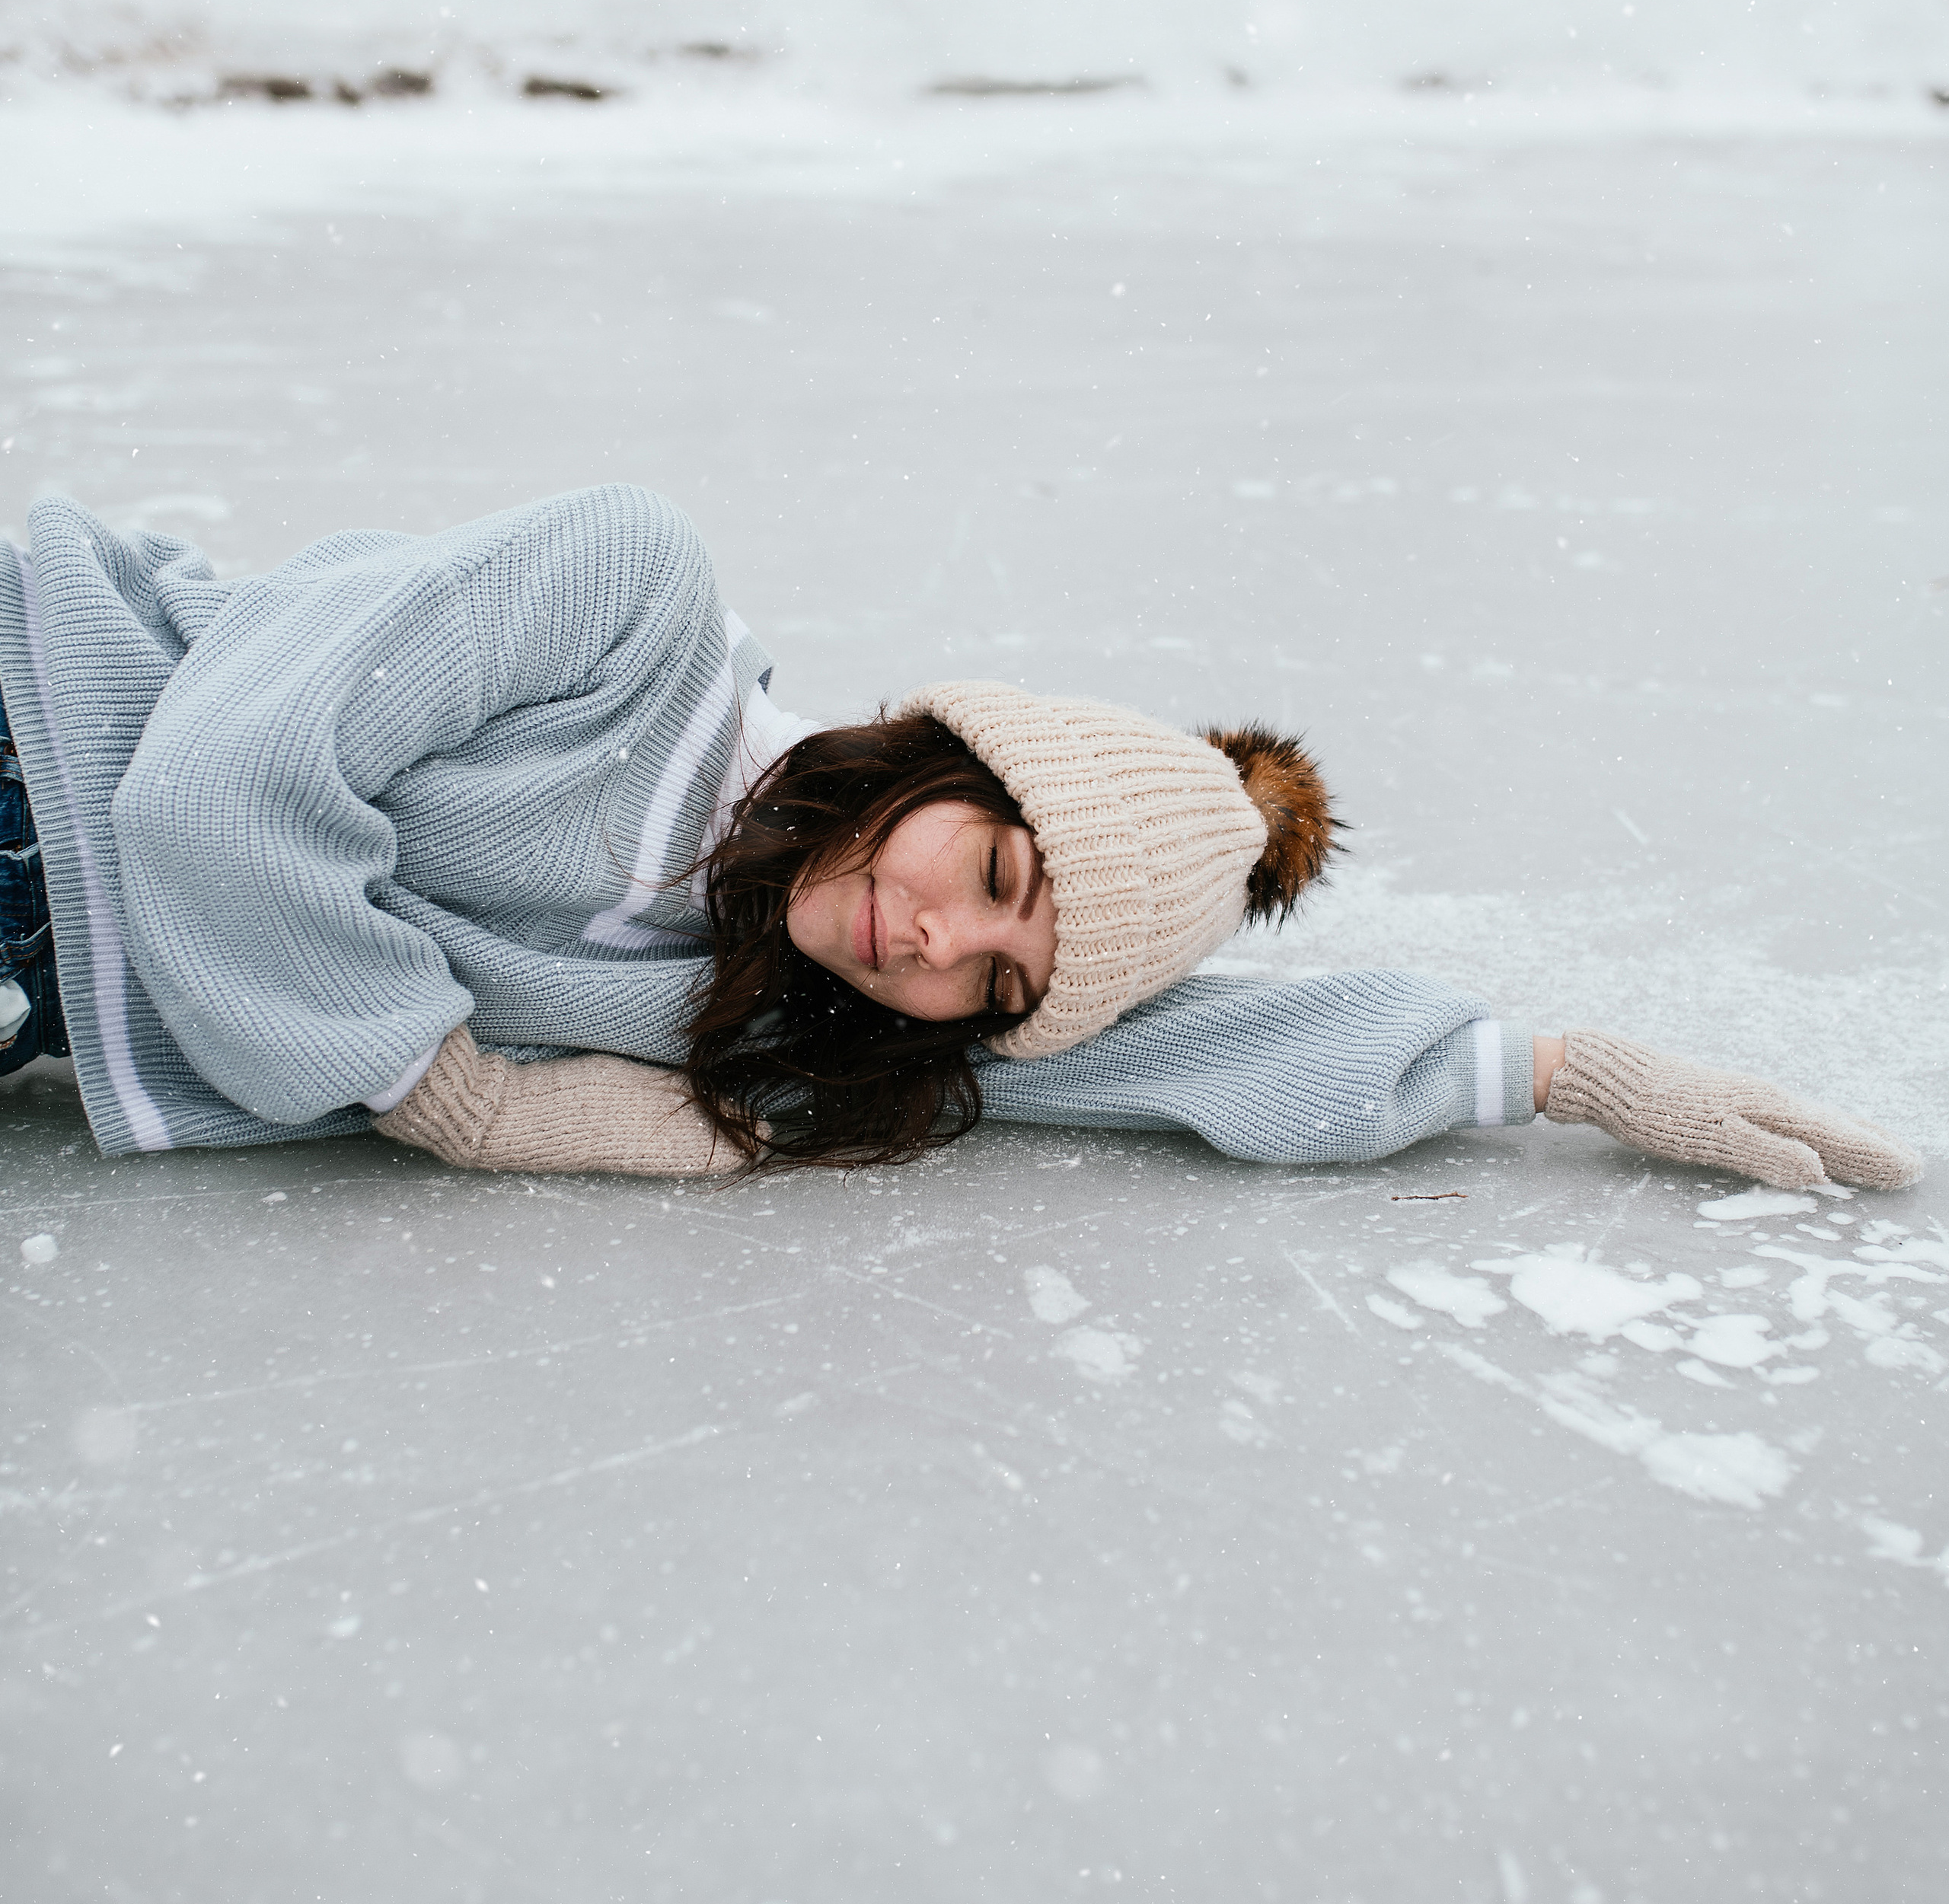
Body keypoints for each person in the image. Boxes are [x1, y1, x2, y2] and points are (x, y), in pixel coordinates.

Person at [0, 484, 1920, 1196]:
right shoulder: (622, 604)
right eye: (990, 879)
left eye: (995, 981)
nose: (935, 949)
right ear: (948, 764)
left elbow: (1156, 1054)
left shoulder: (796, 994)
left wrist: (1549, 1068)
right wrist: (451, 1093)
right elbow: (206, 797)